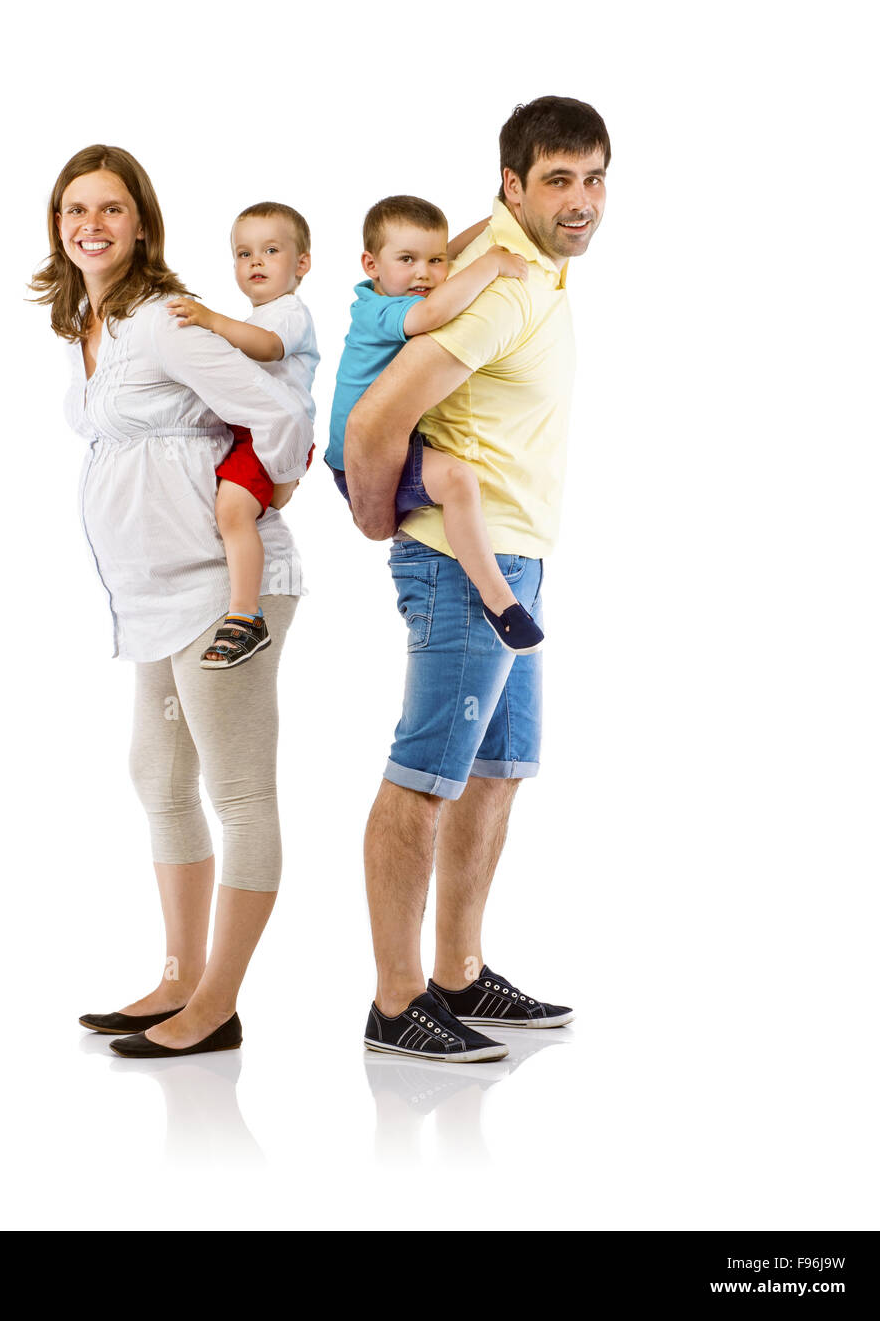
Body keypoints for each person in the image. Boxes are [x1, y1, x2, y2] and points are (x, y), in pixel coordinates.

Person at [29, 145, 313, 1058]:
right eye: (76, 210)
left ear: (141, 223)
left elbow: (282, 416)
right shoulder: (92, 325)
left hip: (226, 590)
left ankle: (217, 1004)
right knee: (158, 778)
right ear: (58, 225)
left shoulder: (159, 322)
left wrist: (249, 500)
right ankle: (179, 977)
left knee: (238, 791)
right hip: (150, 599)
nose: (91, 225)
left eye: (111, 208)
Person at [344, 97, 611, 1061]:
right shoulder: (499, 290)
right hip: (464, 565)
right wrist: (379, 516)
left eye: (594, 178)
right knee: (422, 780)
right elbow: (375, 424)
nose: (582, 201)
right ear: (513, 184)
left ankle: (457, 975)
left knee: (495, 774)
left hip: (516, 561)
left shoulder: (524, 259)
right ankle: (394, 1002)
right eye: (558, 181)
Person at [324, 195, 542, 653]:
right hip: (361, 461)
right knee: (459, 481)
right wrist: (493, 264)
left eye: (433, 260)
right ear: (372, 264)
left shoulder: (406, 283)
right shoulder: (378, 309)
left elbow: (452, 253)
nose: (423, 273)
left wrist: (500, 222)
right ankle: (498, 599)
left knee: (460, 481)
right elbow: (432, 313)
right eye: (407, 260)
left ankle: (496, 594)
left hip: (397, 444)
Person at [167, 202, 319, 669]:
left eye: (270, 250)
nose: (255, 261)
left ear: (302, 264)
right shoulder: (254, 319)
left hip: (271, 437)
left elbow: (268, 348)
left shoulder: (288, 312)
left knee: (232, 512)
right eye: (243, 253)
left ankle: (246, 615)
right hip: (247, 434)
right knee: (222, 511)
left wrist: (210, 321)